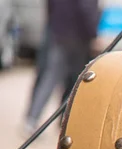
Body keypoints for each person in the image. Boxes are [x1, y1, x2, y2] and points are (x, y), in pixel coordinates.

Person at [23, 0, 100, 135]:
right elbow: (87, 8)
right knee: (74, 80)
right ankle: (64, 120)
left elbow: (50, 6)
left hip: (58, 32)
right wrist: (93, 34)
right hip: (78, 35)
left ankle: (32, 118)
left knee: (51, 76)